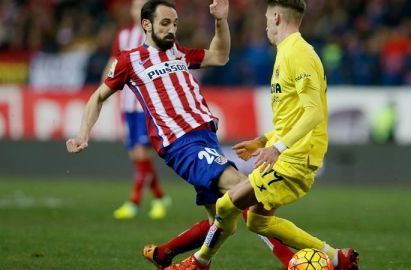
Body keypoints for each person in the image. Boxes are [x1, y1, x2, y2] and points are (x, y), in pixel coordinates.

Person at [66, 0, 293, 268]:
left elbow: (220, 56)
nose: (171, 29)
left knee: (222, 224)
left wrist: (220, 21)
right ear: (146, 25)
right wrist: (83, 134)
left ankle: (164, 253)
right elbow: (97, 97)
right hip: (181, 143)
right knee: (243, 188)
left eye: (174, 23)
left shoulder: (178, 52)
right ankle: (293, 260)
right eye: (165, 23)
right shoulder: (129, 60)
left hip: (207, 139)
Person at [166, 0, 360, 270]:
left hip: (294, 158)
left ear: (277, 17)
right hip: (292, 154)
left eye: (268, 19)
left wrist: (277, 148)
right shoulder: (287, 52)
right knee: (258, 221)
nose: (266, 25)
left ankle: (199, 262)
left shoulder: (299, 53)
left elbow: (313, 113)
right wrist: (263, 140)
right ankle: (337, 258)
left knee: (224, 206)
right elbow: (293, 116)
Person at [104, 0, 171, 220]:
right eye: (135, 6)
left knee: (142, 152)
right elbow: (113, 63)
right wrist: (101, 90)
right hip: (127, 103)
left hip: (147, 105)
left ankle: (134, 201)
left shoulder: (158, 36)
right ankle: (160, 197)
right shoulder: (123, 36)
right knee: (136, 155)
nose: (138, 10)